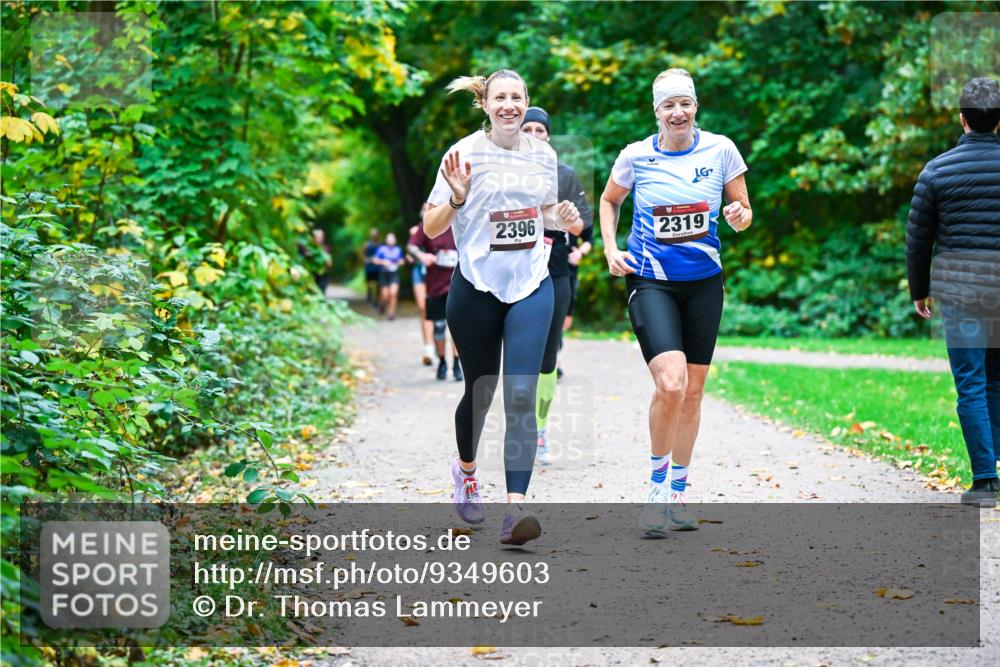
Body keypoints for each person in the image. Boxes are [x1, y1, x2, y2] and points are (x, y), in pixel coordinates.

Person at [423, 68, 582, 545]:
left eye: (517, 96)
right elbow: (432, 227)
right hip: (476, 286)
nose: (510, 105)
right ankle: (467, 471)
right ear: (486, 104)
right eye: (501, 97)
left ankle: (515, 510)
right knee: (481, 390)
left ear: (525, 101)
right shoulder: (464, 153)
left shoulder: (543, 153)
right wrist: (456, 196)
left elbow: (547, 212)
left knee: (519, 394)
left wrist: (564, 218)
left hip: (532, 283)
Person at [599, 68, 751, 535]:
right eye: (668, 105)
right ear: (656, 112)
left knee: (693, 392)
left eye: (685, 103)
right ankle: (656, 488)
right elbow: (609, 201)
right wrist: (610, 248)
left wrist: (738, 215)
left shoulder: (721, 149)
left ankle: (680, 492)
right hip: (651, 281)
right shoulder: (636, 156)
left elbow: (744, 212)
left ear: (695, 107)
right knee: (670, 383)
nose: (678, 112)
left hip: (704, 282)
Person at [906, 76, 1000, 507]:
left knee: (972, 384)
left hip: (962, 291)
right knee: (997, 381)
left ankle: (984, 482)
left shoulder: (936, 171)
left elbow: (919, 239)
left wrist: (919, 290)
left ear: (962, 119)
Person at [521, 106, 593, 464]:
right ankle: (517, 424)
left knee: (548, 356)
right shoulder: (504, 173)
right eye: (527, 129)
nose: (534, 135)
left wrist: (573, 226)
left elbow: (584, 229)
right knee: (519, 355)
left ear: (549, 136)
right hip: (514, 272)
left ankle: (539, 430)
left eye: (540, 130)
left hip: (556, 269)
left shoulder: (565, 176)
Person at [408, 214, 463, 382]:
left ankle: (456, 363)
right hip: (436, 287)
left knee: (458, 329)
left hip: (459, 284)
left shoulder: (463, 219)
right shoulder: (430, 222)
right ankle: (442, 362)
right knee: (439, 328)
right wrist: (422, 256)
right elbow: (411, 246)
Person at [407, 215, 435, 366]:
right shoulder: (416, 230)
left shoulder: (445, 224)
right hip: (420, 271)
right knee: (423, 308)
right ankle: (428, 348)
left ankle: (439, 345)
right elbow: (411, 249)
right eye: (425, 209)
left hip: (438, 272)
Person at [373, 232, 403, 320]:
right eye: (389, 238)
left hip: (394, 273)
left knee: (393, 293)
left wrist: (400, 262)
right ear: (386, 240)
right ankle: (382, 306)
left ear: (395, 240)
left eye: (392, 238)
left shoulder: (398, 249)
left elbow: (402, 260)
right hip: (384, 274)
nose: (391, 240)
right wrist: (383, 262)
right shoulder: (381, 249)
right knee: (385, 295)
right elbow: (375, 260)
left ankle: (391, 313)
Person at [363, 228, 381, 307]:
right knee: (369, 282)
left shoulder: (379, 245)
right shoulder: (367, 244)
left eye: (375, 234)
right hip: (369, 266)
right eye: (373, 234)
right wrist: (365, 260)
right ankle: (369, 294)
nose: (374, 236)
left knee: (377, 283)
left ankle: (376, 298)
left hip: (377, 266)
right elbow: (362, 254)